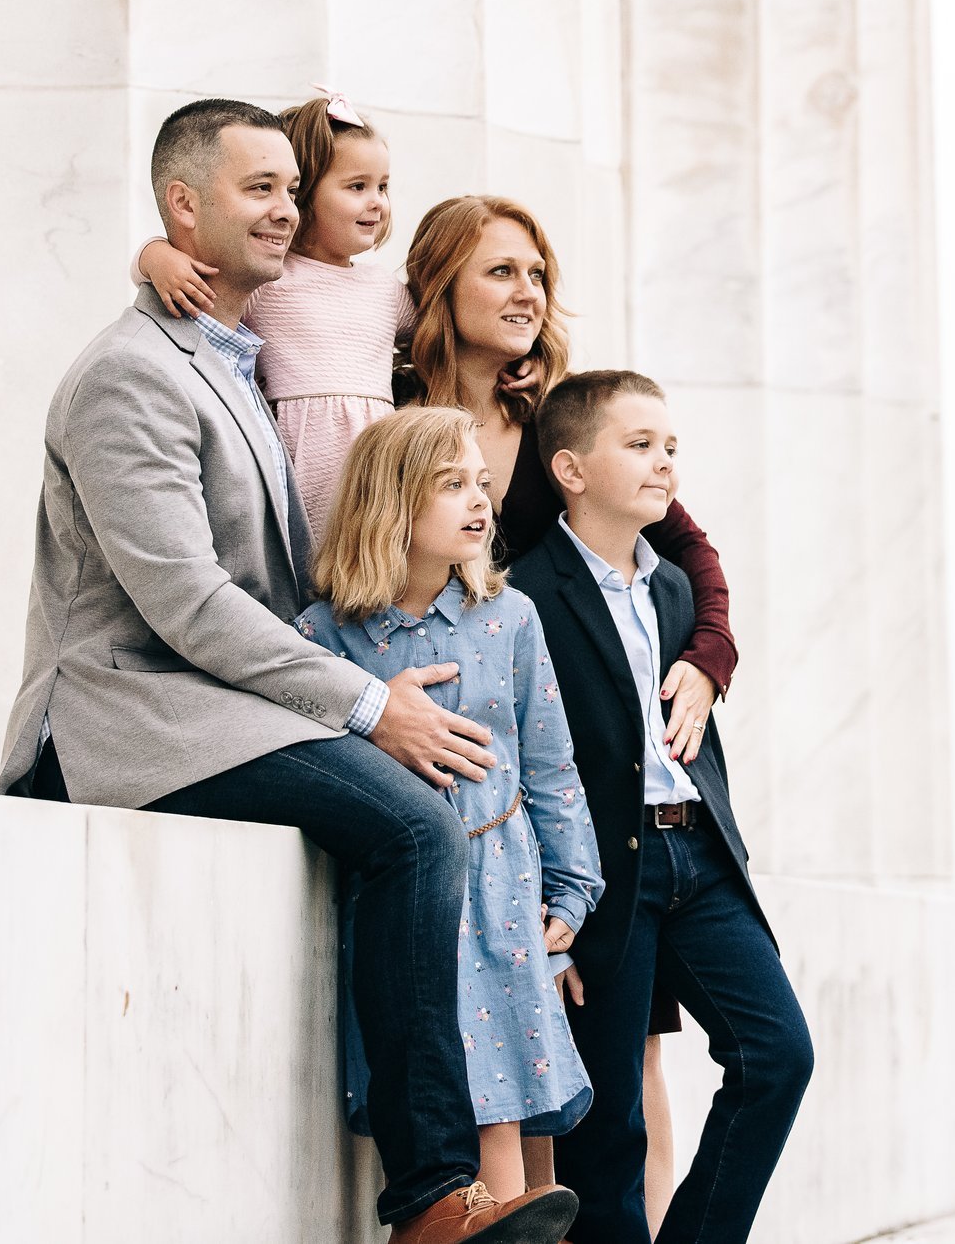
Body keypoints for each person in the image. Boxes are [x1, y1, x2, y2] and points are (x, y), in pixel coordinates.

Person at [0, 100, 576, 1244]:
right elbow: (183, 600)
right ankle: (430, 1202)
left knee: (424, 812)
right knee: (413, 822)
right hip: (128, 711)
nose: (285, 205)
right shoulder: (130, 374)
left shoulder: (234, 353)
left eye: (286, 186)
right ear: (182, 208)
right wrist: (367, 703)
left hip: (220, 704)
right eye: (256, 186)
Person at [395, 196, 735, 1207]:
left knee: (628, 1055)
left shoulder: (558, 424)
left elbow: (690, 550)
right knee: (534, 1041)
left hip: (582, 781)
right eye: (500, 271)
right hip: (462, 764)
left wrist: (707, 658)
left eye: (536, 272)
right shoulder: (392, 409)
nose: (527, 291)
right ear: (439, 287)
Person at [507, 370, 811, 1244]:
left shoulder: (676, 589)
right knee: (607, 1131)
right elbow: (517, 765)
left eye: (671, 446)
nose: (664, 463)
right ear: (569, 468)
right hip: (603, 871)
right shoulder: (524, 595)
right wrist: (548, 908)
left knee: (778, 1055)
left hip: (700, 859)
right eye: (639, 445)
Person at [296, 406, 605, 1198]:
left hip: (501, 893)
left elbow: (551, 768)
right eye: (451, 485)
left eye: (482, 483)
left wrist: (571, 893)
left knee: (501, 1106)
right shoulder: (325, 636)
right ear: (391, 502)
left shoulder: (509, 619)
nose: (479, 501)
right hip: (399, 900)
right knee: (427, 1096)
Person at [133, 89, 411, 549]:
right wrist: (156, 255)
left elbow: (443, 335)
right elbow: (189, 284)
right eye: (356, 186)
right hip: (300, 459)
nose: (377, 202)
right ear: (308, 198)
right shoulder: (269, 280)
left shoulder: (386, 290)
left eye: (382, 186)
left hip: (377, 465)